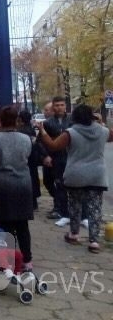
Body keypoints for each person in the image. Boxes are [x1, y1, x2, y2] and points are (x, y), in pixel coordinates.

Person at [36, 104, 113, 254]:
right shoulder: (103, 131)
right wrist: (101, 122)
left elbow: (53, 146)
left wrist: (43, 131)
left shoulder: (70, 132)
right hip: (97, 175)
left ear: (75, 117)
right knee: (95, 208)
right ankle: (95, 241)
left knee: (75, 205)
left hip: (75, 174)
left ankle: (74, 234)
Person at [0, 105, 34, 271]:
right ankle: (27, 260)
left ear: (0, 120)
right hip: (23, 185)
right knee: (22, 225)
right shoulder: (26, 139)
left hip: (1, 186)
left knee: (3, 224)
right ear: (17, 120)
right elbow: (31, 160)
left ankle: (6, 260)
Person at [43, 96, 73, 226]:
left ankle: (79, 214)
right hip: (56, 158)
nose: (59, 107)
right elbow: (42, 141)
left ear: (65, 106)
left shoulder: (72, 121)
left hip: (71, 157)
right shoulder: (48, 123)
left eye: (61, 105)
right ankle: (63, 212)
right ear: (53, 107)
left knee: (74, 186)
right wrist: (46, 155)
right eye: (57, 105)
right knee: (59, 185)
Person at [17, 110, 42, 210]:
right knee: (33, 177)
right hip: (33, 157)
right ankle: (34, 202)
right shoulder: (31, 130)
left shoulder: (20, 131)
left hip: (24, 158)